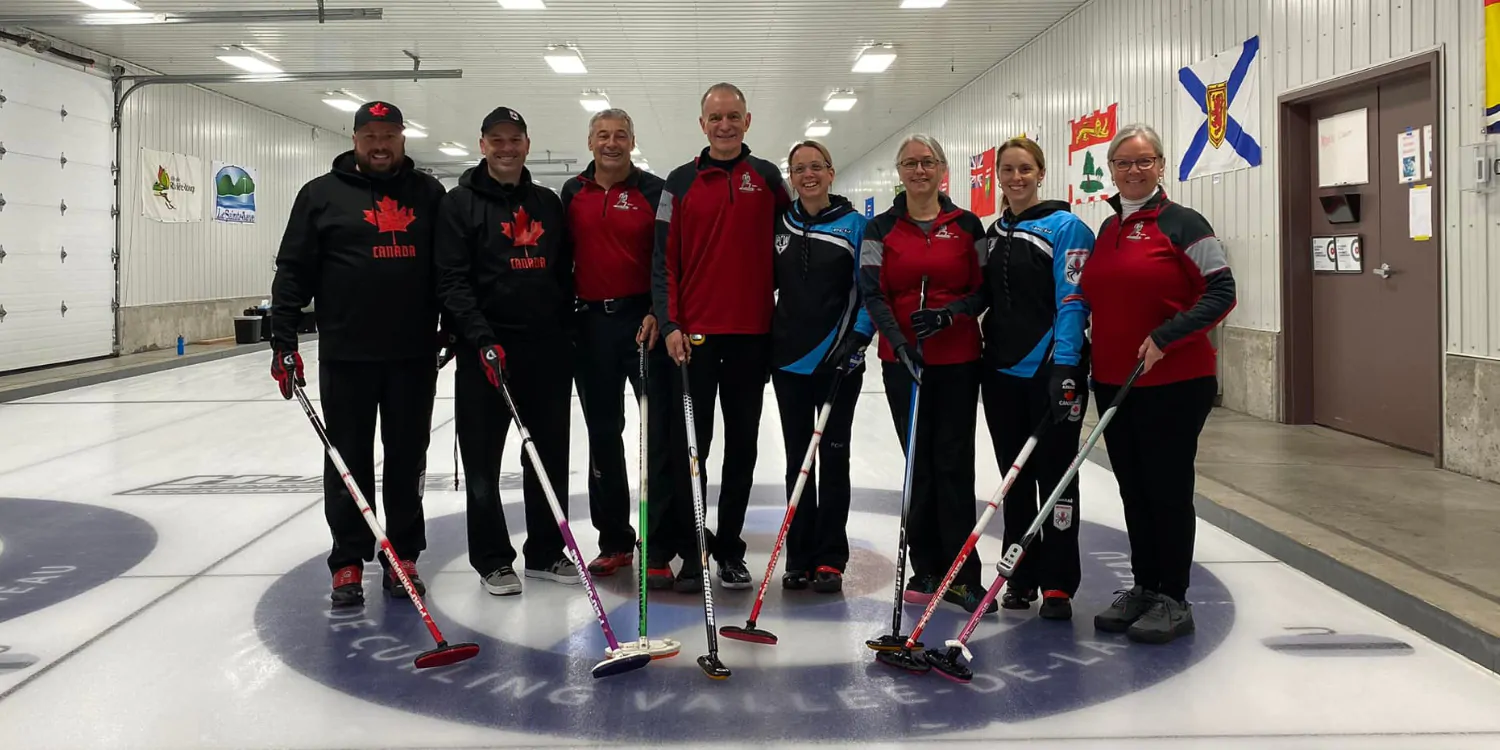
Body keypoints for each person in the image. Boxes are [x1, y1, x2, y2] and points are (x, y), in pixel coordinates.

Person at [269, 100, 448, 607]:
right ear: (353, 139)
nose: (379, 144)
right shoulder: (320, 196)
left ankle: (403, 555)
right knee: (346, 461)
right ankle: (347, 559)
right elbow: (293, 270)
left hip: (413, 355)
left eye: (388, 134)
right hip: (346, 355)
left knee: (407, 459)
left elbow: (448, 269)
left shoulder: (429, 195)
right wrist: (283, 339)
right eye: (369, 134)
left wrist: (454, 327)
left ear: (403, 138)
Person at [1080, 123, 1236, 644]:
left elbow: (1222, 291)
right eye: (1123, 162)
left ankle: (1174, 597)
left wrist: (1167, 336)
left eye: (1143, 161)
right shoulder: (1108, 230)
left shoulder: (1183, 224)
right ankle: (1144, 587)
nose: (1132, 170)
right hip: (1114, 381)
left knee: (1167, 489)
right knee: (1133, 489)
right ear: (1111, 169)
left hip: (1173, 380)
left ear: (1161, 165)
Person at [652, 82, 791, 591]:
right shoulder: (679, 182)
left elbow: (793, 241)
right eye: (716, 117)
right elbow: (663, 260)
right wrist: (670, 323)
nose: (725, 125)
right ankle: (693, 549)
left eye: (734, 116)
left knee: (743, 449)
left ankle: (729, 549)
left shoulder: (769, 178)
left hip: (753, 337)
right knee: (693, 448)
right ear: (702, 124)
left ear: (747, 121)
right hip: (694, 341)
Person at [435, 106, 577, 597]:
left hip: (545, 351)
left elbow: (561, 273)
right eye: (496, 140)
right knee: (482, 460)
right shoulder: (459, 204)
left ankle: (545, 551)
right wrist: (478, 337)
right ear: (482, 145)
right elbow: (452, 280)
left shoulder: (547, 204)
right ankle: (493, 558)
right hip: (485, 352)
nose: (505, 148)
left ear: (526, 144)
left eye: (514, 139)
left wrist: (563, 333)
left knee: (548, 455)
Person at [859, 134, 991, 613]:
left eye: (927, 162)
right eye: (910, 163)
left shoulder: (966, 225)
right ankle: (927, 566)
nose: (919, 170)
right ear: (899, 171)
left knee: (953, 465)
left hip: (957, 360)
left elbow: (983, 291)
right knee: (920, 465)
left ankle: (962, 574)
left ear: (941, 170)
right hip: (904, 364)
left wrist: (950, 314)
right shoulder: (880, 230)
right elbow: (872, 293)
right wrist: (896, 342)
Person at [978, 137, 1094, 621]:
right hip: (1000, 373)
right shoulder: (993, 230)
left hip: (1052, 372)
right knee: (1015, 478)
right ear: (997, 176)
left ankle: (1059, 582)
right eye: (1007, 169)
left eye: (1025, 168)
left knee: (1058, 477)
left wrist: (1065, 365)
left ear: (1041, 172)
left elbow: (1073, 298)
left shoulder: (1068, 227)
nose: (1016, 177)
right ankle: (1019, 574)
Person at [559, 108, 673, 578]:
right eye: (602, 135)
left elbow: (669, 258)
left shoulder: (655, 190)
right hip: (591, 325)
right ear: (590, 142)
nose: (611, 143)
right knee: (604, 434)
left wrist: (656, 311)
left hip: (643, 323)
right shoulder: (572, 192)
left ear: (632, 140)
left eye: (620, 135)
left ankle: (662, 544)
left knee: (660, 434)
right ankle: (615, 541)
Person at [770, 140, 874, 594]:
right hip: (789, 362)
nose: (807, 175)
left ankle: (830, 557)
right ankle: (799, 556)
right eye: (799, 169)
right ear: (791, 177)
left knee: (833, 457)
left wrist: (858, 339)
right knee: (798, 460)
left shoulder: (857, 227)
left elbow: (872, 292)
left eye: (816, 167)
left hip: (838, 363)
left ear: (831, 173)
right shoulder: (781, 224)